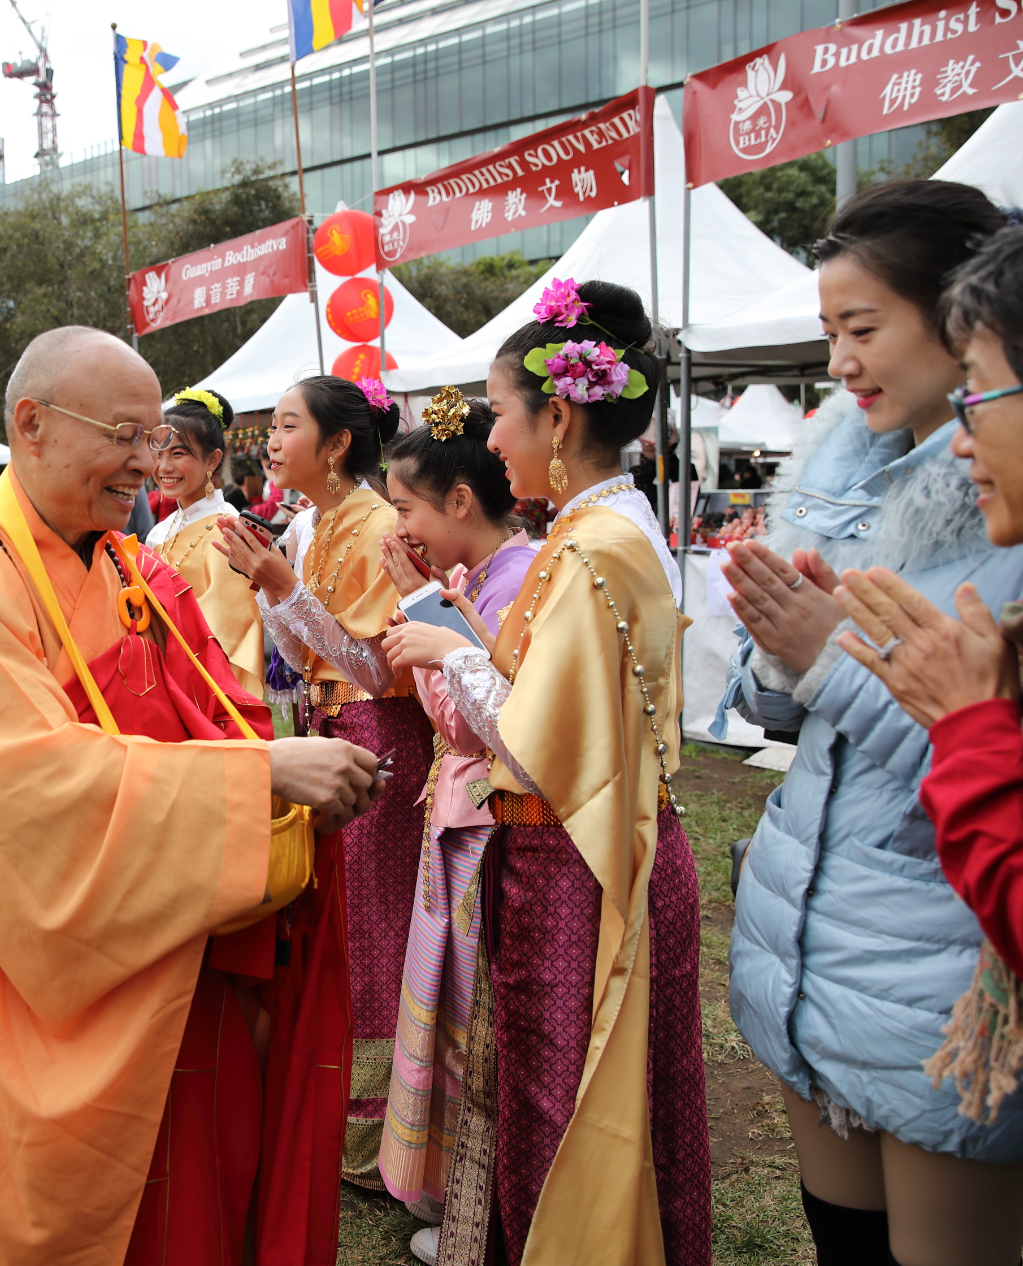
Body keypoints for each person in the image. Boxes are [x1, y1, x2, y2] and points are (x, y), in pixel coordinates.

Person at [0, 326, 377, 1265]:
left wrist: (284, 773)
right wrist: (259, 776)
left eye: (156, 439)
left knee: (190, 1191)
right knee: (54, 1202)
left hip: (180, 929)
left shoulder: (127, 564)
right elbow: (25, 790)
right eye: (124, 435)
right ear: (31, 424)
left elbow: (221, 704)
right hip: (40, 957)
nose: (147, 464)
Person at [715, 181, 1023, 1266]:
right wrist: (780, 653)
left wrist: (830, 656)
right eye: (829, 334)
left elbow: (1021, 764)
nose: (838, 364)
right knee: (845, 1246)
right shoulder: (836, 485)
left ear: (968, 315)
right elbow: (773, 713)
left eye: (863, 328)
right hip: (812, 928)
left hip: (940, 954)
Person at [823, 193, 1023, 1256]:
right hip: (841, 940)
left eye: (981, 391)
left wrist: (946, 721)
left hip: (942, 965)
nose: (963, 439)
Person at [378, 280, 707, 1265]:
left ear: (557, 415)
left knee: (567, 1111)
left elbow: (530, 737)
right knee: (548, 1104)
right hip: (571, 857)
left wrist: (446, 646)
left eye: (502, 411)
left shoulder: (593, 546)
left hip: (576, 865)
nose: (496, 438)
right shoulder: (588, 535)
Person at [216, 372, 432, 1186]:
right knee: (332, 916)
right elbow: (290, 650)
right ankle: (335, 1099)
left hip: (376, 733)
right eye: (269, 428)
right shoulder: (307, 523)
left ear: (336, 444)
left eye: (284, 425)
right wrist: (277, 589)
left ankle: (379, 1133)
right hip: (322, 728)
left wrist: (281, 589)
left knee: (374, 925)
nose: (269, 442)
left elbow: (376, 668)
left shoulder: (378, 523)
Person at [371, 388, 537, 1244]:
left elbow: (475, 723)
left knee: (473, 1022)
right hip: (459, 812)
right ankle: (450, 1196)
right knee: (448, 1008)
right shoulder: (477, 577)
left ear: (459, 503)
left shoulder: (516, 580)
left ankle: (481, 1211)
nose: (395, 525)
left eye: (403, 506)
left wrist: (432, 620)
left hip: (490, 821)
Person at [144, 386, 267, 698]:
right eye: (158, 454)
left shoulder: (231, 530)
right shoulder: (158, 532)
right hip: (160, 678)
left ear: (212, 460)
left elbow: (230, 631)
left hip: (205, 685)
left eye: (178, 454)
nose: (163, 467)